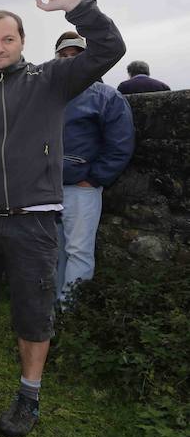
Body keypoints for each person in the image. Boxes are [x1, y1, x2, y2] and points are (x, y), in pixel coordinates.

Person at [0, 0, 126, 437]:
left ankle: (29, 396)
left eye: (7, 38)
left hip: (36, 220)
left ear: (22, 41)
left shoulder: (50, 80)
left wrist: (77, 8)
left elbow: (109, 48)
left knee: (33, 314)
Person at [52, 33, 134, 304]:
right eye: (64, 55)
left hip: (81, 188)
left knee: (79, 252)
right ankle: (51, 312)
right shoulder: (47, 95)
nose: (69, 60)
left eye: (76, 55)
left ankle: (71, 312)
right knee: (52, 252)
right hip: (46, 188)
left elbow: (120, 144)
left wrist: (94, 179)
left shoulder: (107, 96)